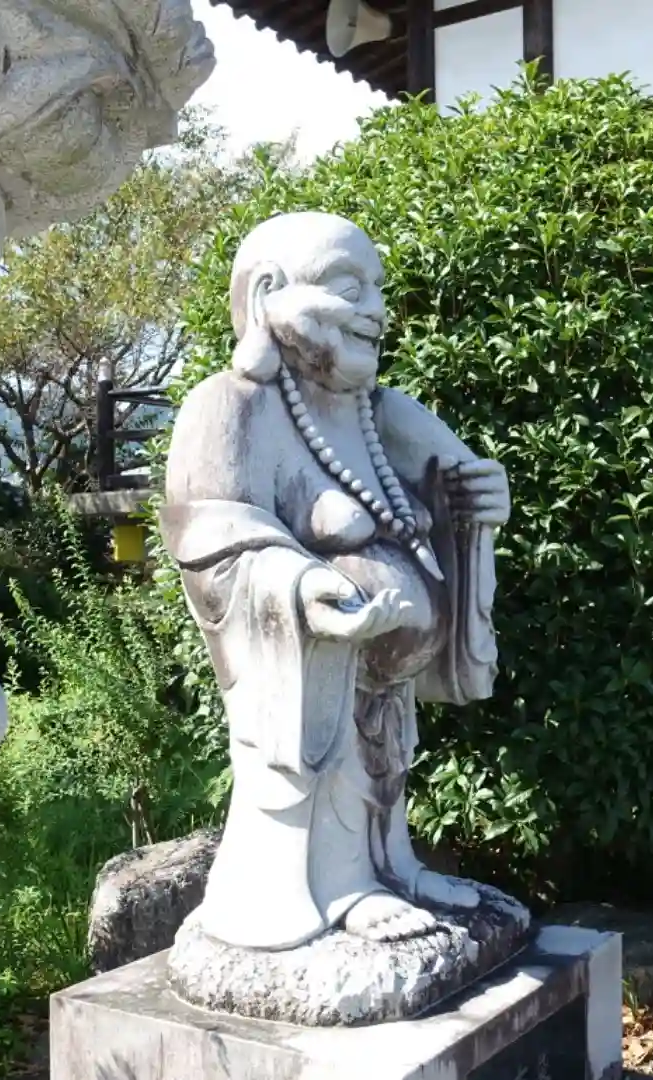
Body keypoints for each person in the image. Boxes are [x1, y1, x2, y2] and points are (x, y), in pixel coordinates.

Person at [160, 211, 511, 948]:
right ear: (267, 294)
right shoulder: (230, 406)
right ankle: (332, 887)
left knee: (379, 766)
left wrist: (481, 504)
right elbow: (210, 532)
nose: (376, 310)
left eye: (378, 290)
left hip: (386, 683)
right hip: (309, 671)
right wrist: (297, 585)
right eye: (350, 289)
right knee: (318, 765)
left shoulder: (379, 414)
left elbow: (457, 484)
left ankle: (387, 865)